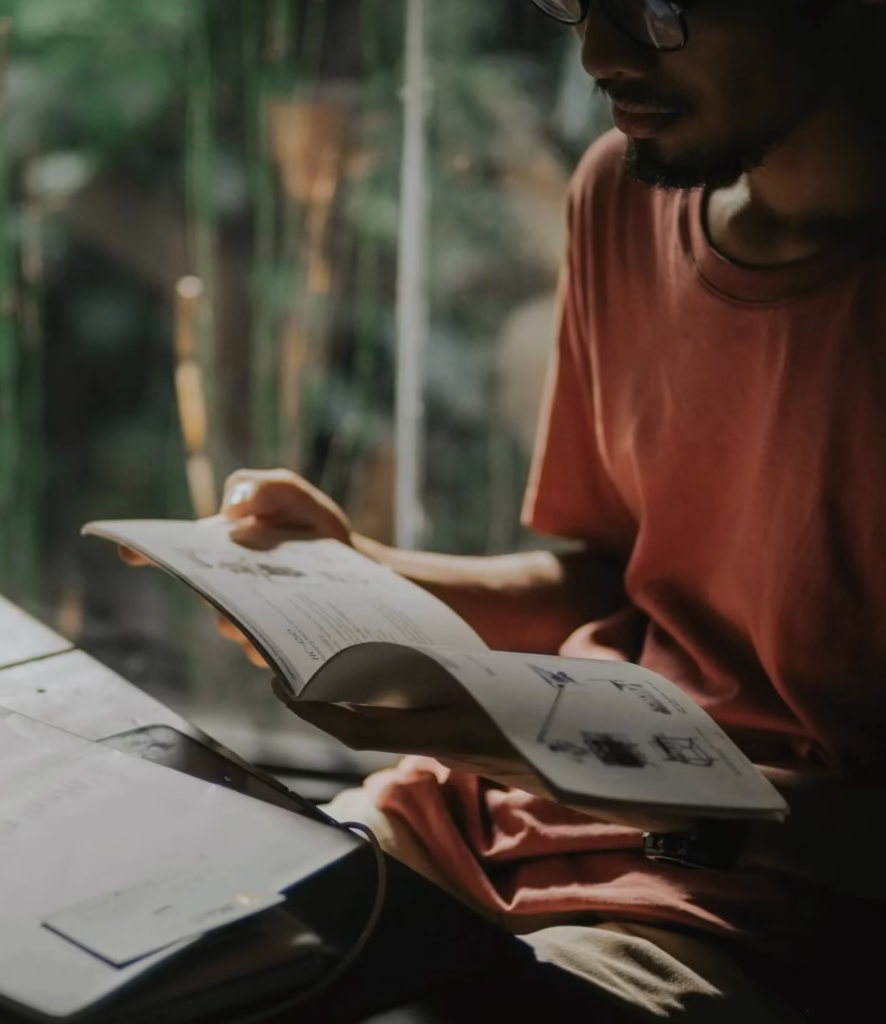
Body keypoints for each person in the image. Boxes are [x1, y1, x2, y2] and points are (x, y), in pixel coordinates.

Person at [136, 1, 886, 1020]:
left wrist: (603, 777)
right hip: (484, 825)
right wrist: (353, 566)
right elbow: (610, 574)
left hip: (752, 907)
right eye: (571, 2)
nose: (597, 54)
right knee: (132, 949)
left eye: (654, 9)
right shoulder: (622, 192)